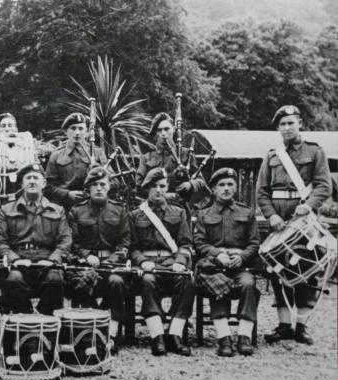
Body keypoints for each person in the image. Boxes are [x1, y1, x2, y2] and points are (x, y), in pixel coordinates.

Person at [256, 105, 332, 345]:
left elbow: (323, 186)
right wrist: (271, 216)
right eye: (282, 124)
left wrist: (309, 205)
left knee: (307, 270)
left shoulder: (315, 151)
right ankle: (284, 325)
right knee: (278, 271)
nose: (287, 127)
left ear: (300, 123)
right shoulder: (271, 155)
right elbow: (262, 191)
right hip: (279, 220)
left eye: (291, 122)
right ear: (278, 128)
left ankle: (301, 326)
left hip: (304, 219)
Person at [194, 168, 261, 356]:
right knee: (218, 286)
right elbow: (199, 243)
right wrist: (216, 254)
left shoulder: (246, 212)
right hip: (214, 266)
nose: (226, 188)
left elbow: (255, 243)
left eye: (230, 184)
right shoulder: (204, 214)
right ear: (214, 189)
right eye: (221, 185)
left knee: (249, 284)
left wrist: (242, 257)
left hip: (240, 266)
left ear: (236, 188)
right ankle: (224, 339)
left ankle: (243, 337)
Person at [129, 167, 194, 356]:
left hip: (171, 262)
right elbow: (132, 247)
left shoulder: (179, 212)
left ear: (167, 188)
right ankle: (157, 336)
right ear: (146, 189)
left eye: (162, 186)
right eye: (154, 186)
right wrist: (141, 261)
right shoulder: (135, 215)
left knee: (187, 282)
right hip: (148, 264)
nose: (158, 190)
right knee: (148, 281)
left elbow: (185, 243)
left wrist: (180, 261)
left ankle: (174, 334)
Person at [0, 163, 72, 315]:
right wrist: (14, 259)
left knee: (55, 279)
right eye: (28, 178)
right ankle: (25, 317)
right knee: (13, 280)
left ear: (43, 183)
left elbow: (65, 241)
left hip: (47, 261)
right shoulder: (6, 209)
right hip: (19, 261)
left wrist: (52, 260)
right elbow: (0, 241)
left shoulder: (57, 210)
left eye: (36, 178)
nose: (32, 181)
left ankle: (44, 317)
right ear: (21, 183)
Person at [67, 166, 130, 350]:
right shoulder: (77, 211)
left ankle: (111, 331)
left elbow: (125, 242)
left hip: (113, 264)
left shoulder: (119, 210)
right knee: (81, 282)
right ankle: (93, 330)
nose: (99, 188)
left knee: (117, 282)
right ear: (88, 188)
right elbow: (73, 242)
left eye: (103, 184)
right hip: (87, 265)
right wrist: (87, 256)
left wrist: (113, 260)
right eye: (94, 185)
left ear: (109, 187)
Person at [136, 112, 208, 207]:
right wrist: (163, 195)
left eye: (166, 129)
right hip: (154, 209)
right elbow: (139, 187)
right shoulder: (146, 158)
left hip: (180, 207)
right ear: (155, 134)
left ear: (173, 130)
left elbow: (201, 182)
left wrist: (190, 185)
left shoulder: (185, 154)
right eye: (159, 130)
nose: (163, 134)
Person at [45, 113, 108, 209]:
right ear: (66, 131)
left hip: (93, 206)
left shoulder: (97, 153)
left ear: (87, 131)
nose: (77, 132)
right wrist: (67, 194)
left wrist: (98, 174)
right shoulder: (56, 156)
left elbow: (114, 181)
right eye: (73, 128)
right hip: (66, 206)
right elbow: (48, 187)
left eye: (81, 128)